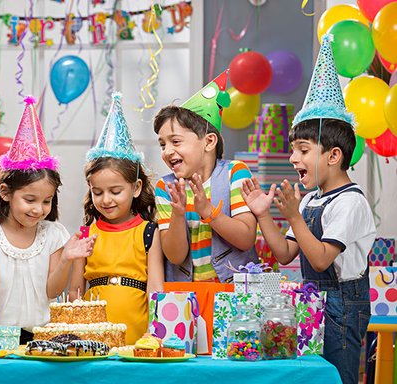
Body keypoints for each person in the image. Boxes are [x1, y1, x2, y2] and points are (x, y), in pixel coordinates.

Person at [240, 36, 375, 384]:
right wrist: (263, 215)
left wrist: (296, 216)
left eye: (302, 150)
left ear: (334, 156)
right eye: (292, 150)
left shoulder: (350, 202)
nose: (292, 158)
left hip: (343, 307)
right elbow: (285, 254)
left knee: (338, 375)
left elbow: (320, 259)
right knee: (311, 376)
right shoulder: (311, 199)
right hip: (313, 302)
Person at [0, 96, 96, 344]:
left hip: (42, 336)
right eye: (30, 200)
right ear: (6, 193)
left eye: (46, 201)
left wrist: (67, 260)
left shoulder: (53, 234)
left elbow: (52, 291)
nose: (39, 209)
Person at [69, 93, 164, 345]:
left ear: (135, 188)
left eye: (115, 191)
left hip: (138, 332)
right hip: (92, 335)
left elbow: (155, 288)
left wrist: (153, 332)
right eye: (97, 192)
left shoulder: (149, 232)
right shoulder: (87, 234)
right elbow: (75, 290)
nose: (106, 200)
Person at [153, 71, 258, 283]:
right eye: (163, 144)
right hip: (186, 298)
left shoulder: (234, 173)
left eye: (176, 141)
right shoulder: (166, 187)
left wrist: (208, 212)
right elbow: (175, 256)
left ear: (209, 142)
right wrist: (178, 214)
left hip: (235, 294)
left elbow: (246, 239)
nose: (166, 151)